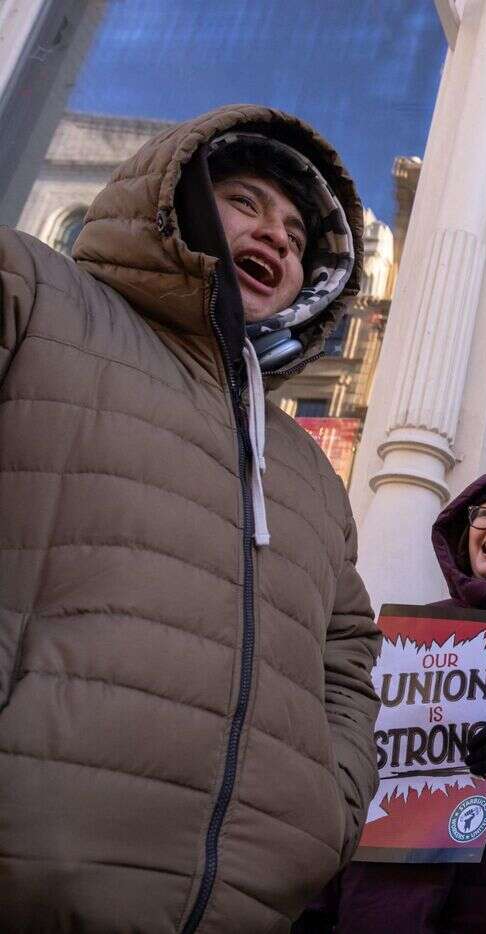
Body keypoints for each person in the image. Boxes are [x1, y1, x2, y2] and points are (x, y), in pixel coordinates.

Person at [0, 105, 380, 930]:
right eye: (245, 202)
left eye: (295, 234)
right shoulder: (36, 296)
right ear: (169, 199)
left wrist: (327, 812)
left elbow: (345, 661)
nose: (278, 238)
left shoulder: (309, 468)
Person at [304, 467, 486, 933]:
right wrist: (319, 901)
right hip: (381, 902)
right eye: (485, 514)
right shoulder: (405, 635)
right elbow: (349, 756)